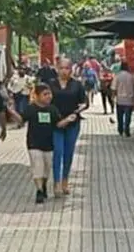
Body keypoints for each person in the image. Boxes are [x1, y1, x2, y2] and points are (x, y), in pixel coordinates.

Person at [8, 84, 78, 203]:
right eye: (45, 94)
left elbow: (58, 124)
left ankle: (44, 184)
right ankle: (39, 191)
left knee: (46, 169)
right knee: (37, 166)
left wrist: (68, 120)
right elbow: (21, 120)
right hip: (34, 143)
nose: (48, 96)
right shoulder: (31, 108)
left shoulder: (52, 109)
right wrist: (12, 112)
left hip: (49, 144)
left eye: (49, 94)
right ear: (37, 96)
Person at [49, 58, 88, 196]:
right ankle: (56, 182)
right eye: (61, 68)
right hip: (56, 124)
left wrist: (78, 110)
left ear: (71, 69)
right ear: (57, 69)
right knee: (58, 152)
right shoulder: (50, 84)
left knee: (68, 153)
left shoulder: (77, 85)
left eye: (67, 68)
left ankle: (65, 179)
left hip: (72, 123)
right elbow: (44, 101)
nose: (64, 71)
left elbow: (84, 102)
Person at [111, 63, 134, 137]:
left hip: (120, 100)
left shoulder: (117, 76)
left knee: (120, 116)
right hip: (129, 100)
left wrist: (113, 97)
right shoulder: (131, 76)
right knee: (128, 116)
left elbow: (113, 88)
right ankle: (127, 130)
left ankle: (120, 129)